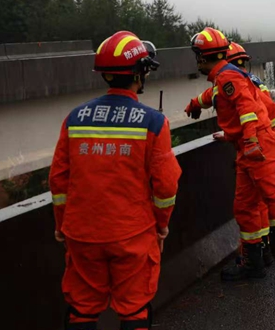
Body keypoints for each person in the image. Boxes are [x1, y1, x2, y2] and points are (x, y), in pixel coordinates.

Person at [50, 31, 181, 330]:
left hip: (81, 234)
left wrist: (62, 224)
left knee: (82, 307)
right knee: (134, 308)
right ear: (138, 74)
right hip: (133, 234)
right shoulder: (153, 122)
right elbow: (165, 185)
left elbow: (58, 180)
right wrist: (161, 225)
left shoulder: (74, 118)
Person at [188, 27, 275, 293]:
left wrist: (252, 141)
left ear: (201, 57)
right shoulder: (225, 77)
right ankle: (253, 262)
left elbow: (247, 109)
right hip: (248, 148)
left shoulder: (229, 76)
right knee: (244, 207)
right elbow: (215, 97)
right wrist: (195, 103)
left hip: (258, 148)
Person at [185, 41, 275, 263]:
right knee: (264, 202)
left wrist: (245, 139)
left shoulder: (231, 81)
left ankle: (261, 254)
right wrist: (195, 104)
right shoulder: (253, 82)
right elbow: (210, 96)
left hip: (257, 148)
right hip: (268, 144)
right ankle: (270, 249)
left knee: (254, 204)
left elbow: (242, 110)